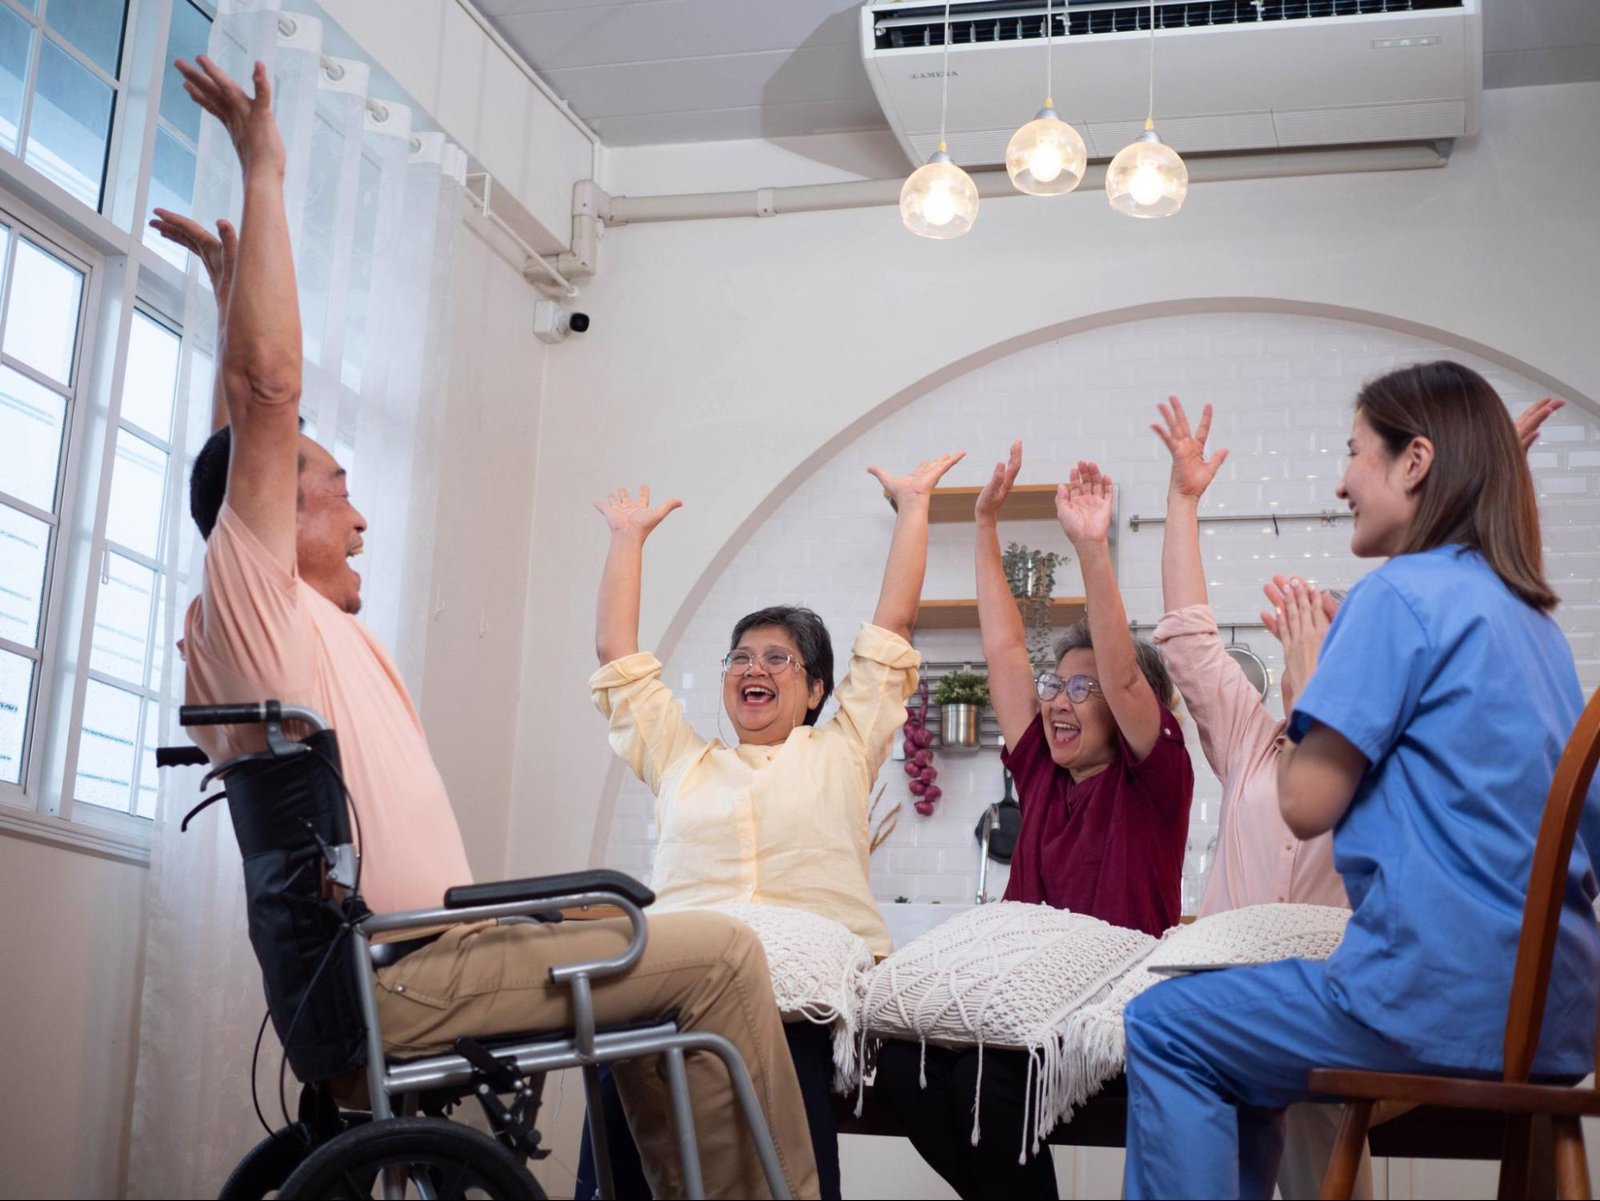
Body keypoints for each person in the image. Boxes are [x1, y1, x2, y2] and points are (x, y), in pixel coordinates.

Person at [163, 55, 818, 1200]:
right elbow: (263, 412)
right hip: (406, 975)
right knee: (723, 954)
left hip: (419, 958)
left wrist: (230, 297)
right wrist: (265, 172)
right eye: (335, 489)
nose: (361, 514)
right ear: (274, 519)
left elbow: (248, 430)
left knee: (656, 949)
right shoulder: (254, 603)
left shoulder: (275, 623)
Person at [1121, 362, 1600, 1200]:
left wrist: (1309, 680)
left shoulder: (1398, 598)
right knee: (1240, 1052)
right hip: (1555, 1019)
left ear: (1415, 462)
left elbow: (1305, 805)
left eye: (1354, 453)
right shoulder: (1533, 627)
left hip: (1435, 1004)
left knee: (1165, 1026)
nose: (1342, 480)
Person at [583, 454, 962, 1199]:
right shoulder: (682, 759)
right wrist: (627, 538)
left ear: (818, 688)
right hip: (676, 990)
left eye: (779, 659)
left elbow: (894, 628)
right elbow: (618, 658)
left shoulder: (845, 749)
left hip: (798, 1001)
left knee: (786, 1140)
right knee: (623, 1066)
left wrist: (913, 508)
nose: (753, 667)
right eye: (741, 656)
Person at [875, 442, 1195, 1201]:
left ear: (1126, 707)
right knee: (898, 1070)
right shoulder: (1043, 774)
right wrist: (984, 523)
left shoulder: (1156, 777)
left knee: (987, 1088)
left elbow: (1121, 669)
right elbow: (1005, 647)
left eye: (1081, 689)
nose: (1056, 698)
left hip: (1103, 1009)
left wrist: (1090, 548)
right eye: (1056, 684)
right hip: (1017, 999)